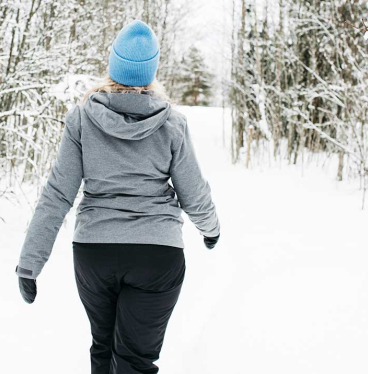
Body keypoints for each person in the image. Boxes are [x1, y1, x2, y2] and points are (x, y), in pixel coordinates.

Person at [15, 20, 220, 374]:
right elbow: (193, 191)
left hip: (95, 253)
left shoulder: (82, 118)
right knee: (133, 362)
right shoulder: (172, 123)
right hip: (157, 256)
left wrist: (30, 262)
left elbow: (58, 194)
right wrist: (211, 229)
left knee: (103, 348)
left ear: (114, 65)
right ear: (151, 71)